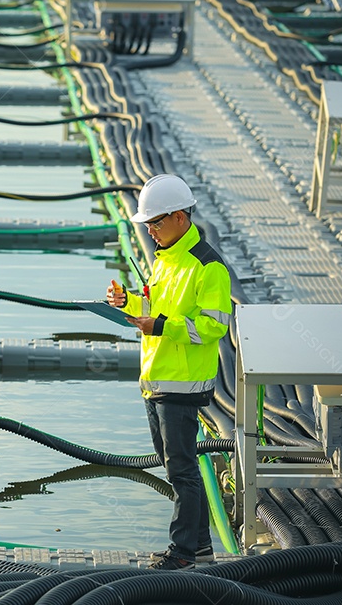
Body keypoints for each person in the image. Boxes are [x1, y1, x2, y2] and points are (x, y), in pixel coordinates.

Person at [105, 174, 232, 570]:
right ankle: (202, 548)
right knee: (173, 464)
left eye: (155, 223)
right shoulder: (165, 259)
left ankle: (182, 554)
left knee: (182, 470)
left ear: (179, 217)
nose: (150, 231)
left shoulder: (208, 267)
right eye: (146, 225)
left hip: (182, 384)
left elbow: (214, 326)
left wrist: (160, 325)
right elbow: (155, 307)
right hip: (157, 380)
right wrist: (128, 300)